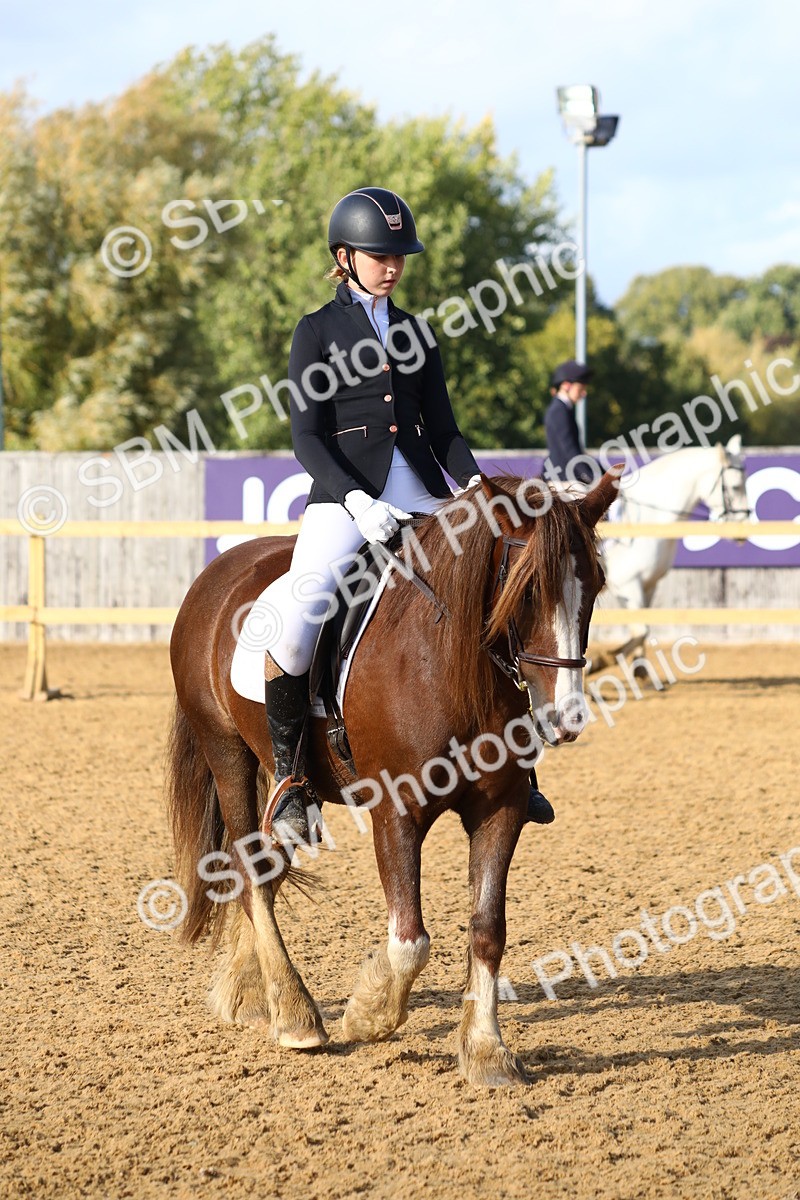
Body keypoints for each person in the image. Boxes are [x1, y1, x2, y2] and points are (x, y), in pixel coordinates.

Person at [255, 186, 554, 845]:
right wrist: (358, 501)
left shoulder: (416, 332)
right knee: (302, 616)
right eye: (379, 255)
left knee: (498, 594)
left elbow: (442, 428)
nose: (392, 265)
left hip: (421, 491)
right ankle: (290, 782)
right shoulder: (316, 331)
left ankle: (517, 766)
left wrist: (478, 488)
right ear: (345, 256)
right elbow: (307, 436)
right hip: (345, 500)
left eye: (400, 256)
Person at [543, 360, 600, 487]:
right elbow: (570, 450)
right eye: (581, 388)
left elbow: (578, 452)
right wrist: (591, 478)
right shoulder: (559, 411)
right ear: (566, 385)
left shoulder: (564, 410)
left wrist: (603, 473)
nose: (584, 393)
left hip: (568, 477)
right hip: (564, 481)